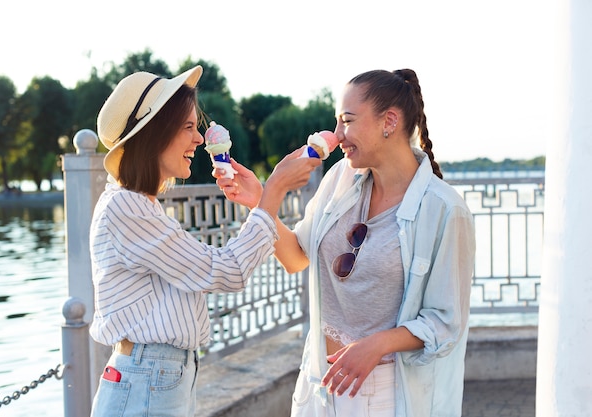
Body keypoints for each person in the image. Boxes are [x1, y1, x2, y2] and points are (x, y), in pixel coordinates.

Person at [215, 69, 476, 416]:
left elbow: (445, 323)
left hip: (384, 393)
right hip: (317, 382)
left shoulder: (444, 209)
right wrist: (261, 201)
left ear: (390, 122)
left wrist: (377, 344)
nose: (337, 136)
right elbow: (296, 258)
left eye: (347, 121)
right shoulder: (340, 178)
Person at [88, 65, 321, 417]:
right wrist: (274, 189)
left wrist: (260, 198)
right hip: (148, 377)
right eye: (186, 127)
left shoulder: (139, 205)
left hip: (156, 375)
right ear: (153, 133)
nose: (198, 139)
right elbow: (226, 271)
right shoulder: (127, 208)